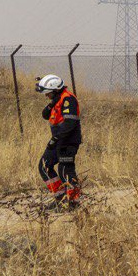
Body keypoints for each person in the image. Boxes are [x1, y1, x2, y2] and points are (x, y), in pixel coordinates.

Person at [36, 75, 81, 207]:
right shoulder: (58, 99)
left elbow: (70, 123)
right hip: (58, 141)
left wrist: (55, 139)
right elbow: (45, 115)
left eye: (48, 93)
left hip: (68, 141)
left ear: (55, 90)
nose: (46, 96)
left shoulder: (68, 99)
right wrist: (52, 102)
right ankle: (60, 199)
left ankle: (73, 202)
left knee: (65, 170)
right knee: (44, 166)